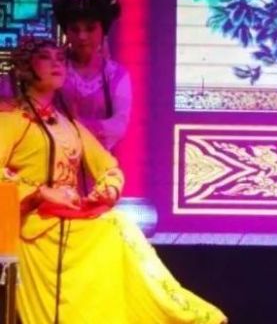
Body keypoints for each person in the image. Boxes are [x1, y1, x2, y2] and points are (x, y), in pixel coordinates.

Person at [0, 37, 227, 324]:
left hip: (67, 218)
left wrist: (108, 189)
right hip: (34, 225)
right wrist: (41, 192)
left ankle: (166, 310)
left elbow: (108, 166)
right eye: (46, 57)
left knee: (119, 226)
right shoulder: (11, 120)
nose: (57, 63)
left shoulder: (68, 123)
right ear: (25, 67)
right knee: (116, 228)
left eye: (60, 58)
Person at [52, 0, 131, 151]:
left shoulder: (116, 75)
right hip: (54, 156)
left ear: (103, 30)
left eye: (90, 28)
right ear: (66, 31)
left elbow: (120, 124)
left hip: (99, 160)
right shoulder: (53, 68)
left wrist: (78, 125)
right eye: (75, 29)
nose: (82, 36)